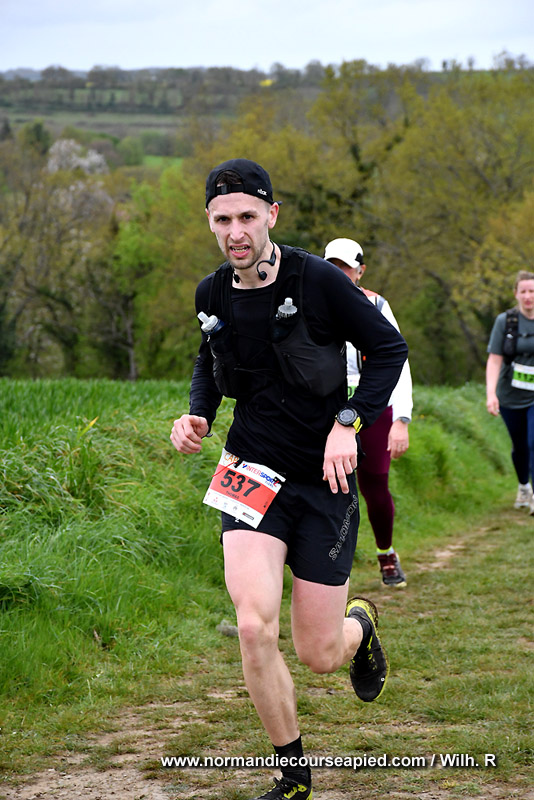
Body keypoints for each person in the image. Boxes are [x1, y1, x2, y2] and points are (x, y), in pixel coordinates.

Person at [170, 158, 408, 800]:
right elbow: (208, 359)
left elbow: (389, 349)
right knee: (253, 627)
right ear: (210, 223)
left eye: (247, 216)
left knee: (318, 654)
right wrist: (199, 413)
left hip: (324, 478)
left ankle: (361, 624)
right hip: (249, 468)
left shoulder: (319, 280)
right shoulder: (212, 292)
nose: (235, 232)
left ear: (271, 215)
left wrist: (349, 422)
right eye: (223, 220)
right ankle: (293, 773)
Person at [323, 238, 413, 588]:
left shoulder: (376, 305)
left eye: (345, 267)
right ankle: (327, 567)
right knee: (330, 483)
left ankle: (385, 553)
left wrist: (401, 419)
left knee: (374, 482)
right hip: (327, 405)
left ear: (360, 271)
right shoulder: (310, 302)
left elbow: (397, 361)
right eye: (332, 266)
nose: (339, 273)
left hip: (373, 406)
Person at [486, 270, 534, 513]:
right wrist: (491, 394)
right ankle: (524, 486)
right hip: (510, 394)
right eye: (523, 291)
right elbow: (495, 360)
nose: (528, 296)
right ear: (516, 294)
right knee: (521, 445)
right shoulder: (505, 321)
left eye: (532, 291)